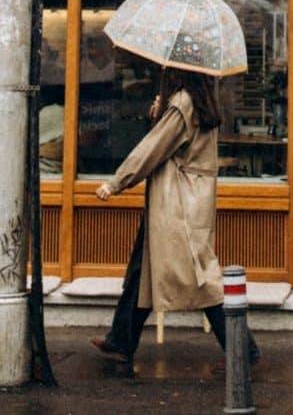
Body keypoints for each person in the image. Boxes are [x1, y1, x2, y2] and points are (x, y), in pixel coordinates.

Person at [90, 66, 260, 365]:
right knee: (142, 271)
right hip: (187, 201)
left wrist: (116, 182)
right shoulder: (201, 101)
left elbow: (153, 148)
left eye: (168, 68)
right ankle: (121, 340)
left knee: (203, 282)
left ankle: (243, 348)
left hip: (174, 205)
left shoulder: (183, 104)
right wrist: (161, 115)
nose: (163, 71)